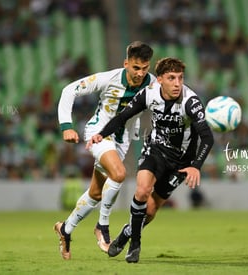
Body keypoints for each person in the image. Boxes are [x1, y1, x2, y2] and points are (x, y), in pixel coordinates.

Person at [88, 57, 214, 263]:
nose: (177, 83)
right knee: (143, 190)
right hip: (155, 149)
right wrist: (101, 134)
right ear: (160, 80)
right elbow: (122, 116)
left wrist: (196, 167)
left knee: (152, 209)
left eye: (180, 78)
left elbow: (207, 137)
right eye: (171, 78)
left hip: (181, 163)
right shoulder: (149, 93)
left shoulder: (191, 102)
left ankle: (127, 233)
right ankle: (135, 244)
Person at [53, 41, 155, 260]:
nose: (140, 73)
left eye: (145, 68)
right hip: (98, 134)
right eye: (136, 68)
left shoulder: (153, 85)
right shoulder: (107, 78)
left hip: (122, 141)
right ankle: (103, 225)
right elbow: (69, 90)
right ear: (126, 63)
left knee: (96, 193)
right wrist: (66, 126)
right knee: (119, 174)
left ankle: (65, 229)